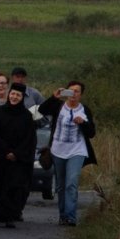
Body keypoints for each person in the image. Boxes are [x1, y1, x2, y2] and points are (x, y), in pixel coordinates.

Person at [38, 82, 97, 227]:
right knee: (61, 185)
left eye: (77, 92)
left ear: (81, 94)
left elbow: (91, 133)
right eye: (70, 91)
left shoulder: (84, 110)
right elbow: (42, 109)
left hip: (77, 150)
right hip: (58, 150)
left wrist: (83, 123)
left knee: (72, 182)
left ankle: (71, 216)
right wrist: (54, 97)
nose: (73, 94)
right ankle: (63, 215)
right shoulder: (58, 106)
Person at [0, 83, 37, 228]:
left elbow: (29, 139)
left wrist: (16, 153)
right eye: (13, 94)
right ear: (9, 94)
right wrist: (6, 152)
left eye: (18, 95)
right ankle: (4, 215)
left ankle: (10, 215)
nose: (14, 97)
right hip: (2, 158)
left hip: (19, 160)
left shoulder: (27, 116)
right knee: (2, 186)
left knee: (16, 187)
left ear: (22, 97)